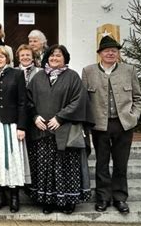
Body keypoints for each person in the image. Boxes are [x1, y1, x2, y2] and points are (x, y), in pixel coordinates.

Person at [27, 44, 93, 214]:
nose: (54, 58)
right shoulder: (38, 77)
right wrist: (35, 117)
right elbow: (28, 100)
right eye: (52, 56)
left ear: (65, 59)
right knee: (45, 167)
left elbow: (79, 100)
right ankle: (47, 200)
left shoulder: (72, 77)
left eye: (59, 56)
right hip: (42, 131)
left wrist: (60, 117)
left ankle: (68, 201)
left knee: (66, 167)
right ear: (46, 58)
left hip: (65, 130)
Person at [82, 36, 141, 214]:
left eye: (114, 50)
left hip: (124, 124)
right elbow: (84, 100)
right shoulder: (88, 71)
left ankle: (120, 198)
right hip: (99, 125)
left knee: (120, 163)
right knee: (101, 163)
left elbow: (138, 98)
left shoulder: (129, 70)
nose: (110, 53)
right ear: (100, 53)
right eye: (107, 50)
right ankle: (103, 197)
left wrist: (134, 117)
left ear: (118, 54)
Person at [0, 46, 30, 213]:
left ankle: (14, 197)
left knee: (11, 156)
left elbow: (23, 102)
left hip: (9, 122)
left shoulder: (16, 74)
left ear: (8, 58)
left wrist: (22, 126)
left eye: (2, 56)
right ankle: (0, 196)